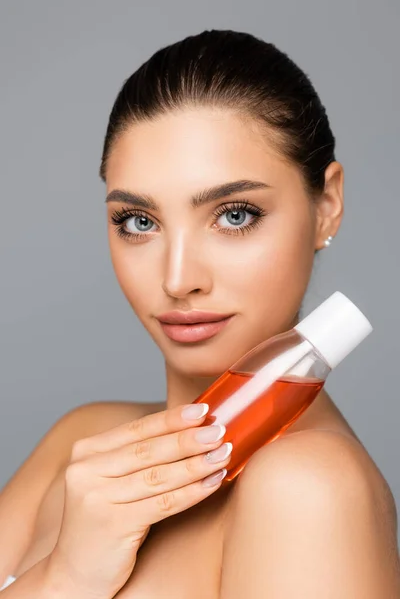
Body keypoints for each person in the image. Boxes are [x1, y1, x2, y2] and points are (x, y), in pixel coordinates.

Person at [0, 29, 399, 598]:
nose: (178, 278)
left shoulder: (309, 491)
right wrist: (67, 573)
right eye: (139, 221)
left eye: (234, 215)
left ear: (326, 207)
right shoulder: (82, 442)